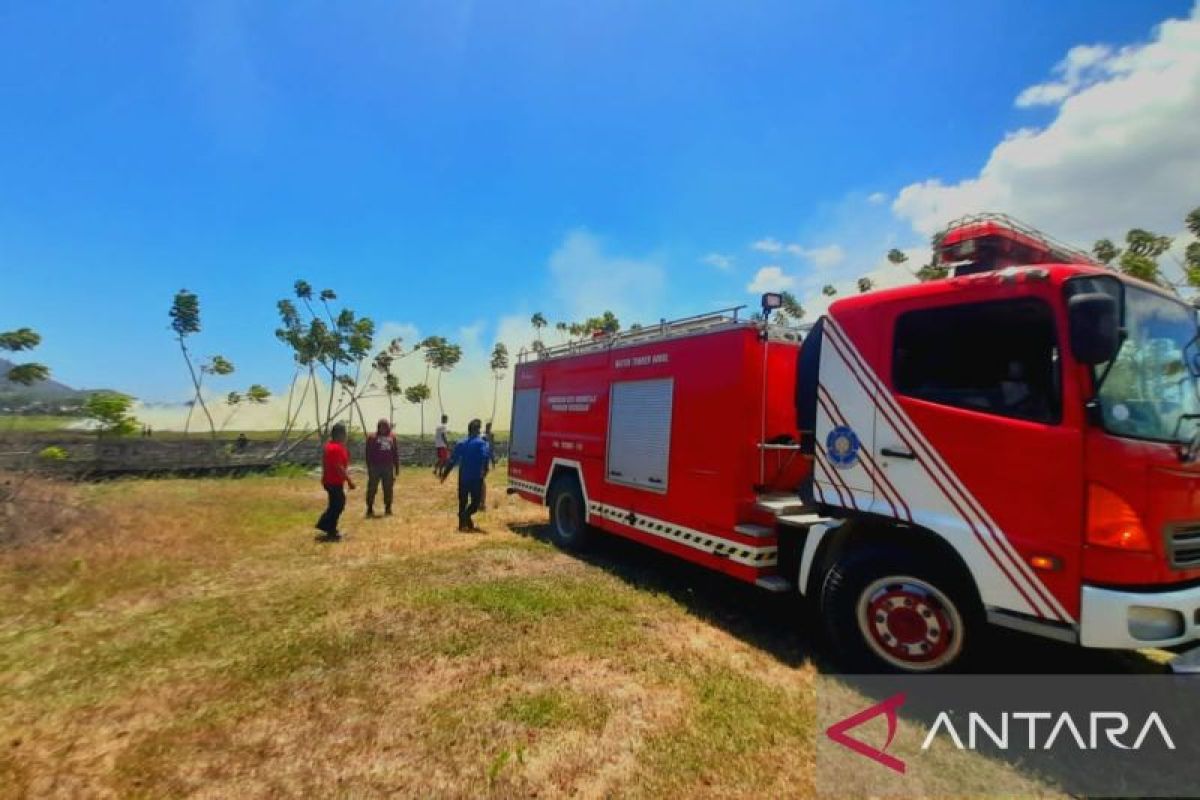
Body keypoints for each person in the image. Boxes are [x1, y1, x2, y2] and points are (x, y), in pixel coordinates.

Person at [440, 418, 491, 532]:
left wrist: (444, 474)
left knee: (462, 501)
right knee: (476, 502)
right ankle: (466, 516)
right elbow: (485, 457)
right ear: (477, 430)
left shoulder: (461, 443)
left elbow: (452, 460)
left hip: (463, 476)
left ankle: (462, 524)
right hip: (476, 477)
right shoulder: (482, 443)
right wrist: (485, 470)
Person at [315, 422, 355, 542]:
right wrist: (349, 481)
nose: (346, 436)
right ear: (340, 434)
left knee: (336, 504)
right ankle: (326, 526)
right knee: (337, 505)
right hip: (332, 481)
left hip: (332, 480)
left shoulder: (334, 446)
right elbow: (339, 467)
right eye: (344, 433)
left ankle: (330, 528)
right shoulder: (335, 448)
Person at [365, 418, 400, 517]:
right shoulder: (372, 437)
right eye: (381, 426)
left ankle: (388, 507)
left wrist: (396, 467)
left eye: (385, 426)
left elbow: (395, 453)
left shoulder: (392, 437)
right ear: (378, 427)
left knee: (388, 488)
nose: (383, 428)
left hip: (388, 467)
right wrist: (369, 467)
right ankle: (370, 507)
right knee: (372, 488)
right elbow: (368, 453)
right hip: (375, 467)